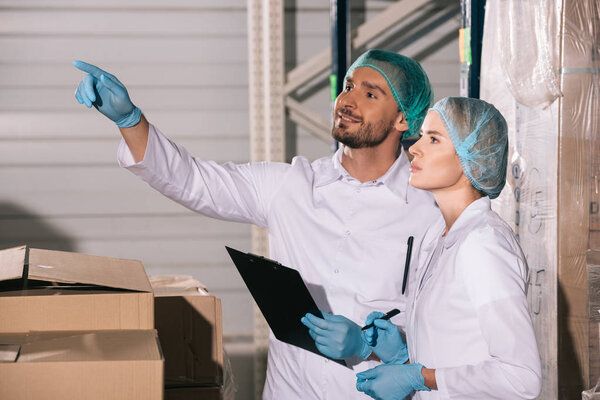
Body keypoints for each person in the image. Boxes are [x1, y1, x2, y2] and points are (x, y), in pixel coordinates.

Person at [73, 49, 441, 399]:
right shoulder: (291, 185)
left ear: (403, 119)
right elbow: (195, 181)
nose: (348, 100)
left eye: (370, 93)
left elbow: (447, 325)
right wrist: (131, 121)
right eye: (347, 86)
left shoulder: (429, 210)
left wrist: (376, 347)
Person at [354, 97, 542, 399]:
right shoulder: (435, 236)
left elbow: (521, 377)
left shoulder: (484, 244)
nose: (414, 147)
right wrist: (403, 353)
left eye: (433, 139)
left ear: (471, 156)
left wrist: (418, 377)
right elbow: (455, 348)